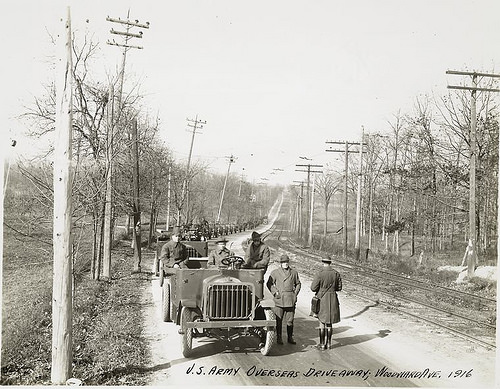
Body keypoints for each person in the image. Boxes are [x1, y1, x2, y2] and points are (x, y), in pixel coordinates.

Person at [266, 254, 301, 345]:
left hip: (290, 299)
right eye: (283, 262)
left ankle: (290, 337)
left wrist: (295, 293)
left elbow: (298, 284)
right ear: (280, 263)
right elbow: (269, 283)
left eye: (286, 262)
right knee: (278, 320)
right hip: (279, 300)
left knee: (290, 320)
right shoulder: (275, 272)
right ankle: (279, 337)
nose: (285, 264)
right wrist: (275, 292)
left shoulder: (294, 272)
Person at [310, 256, 342, 350]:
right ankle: (329, 344)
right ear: (330, 263)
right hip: (332, 299)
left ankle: (322, 344)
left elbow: (313, 288)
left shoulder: (320, 273)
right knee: (329, 322)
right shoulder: (336, 273)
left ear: (323, 262)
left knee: (321, 322)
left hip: (322, 299)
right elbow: (339, 288)